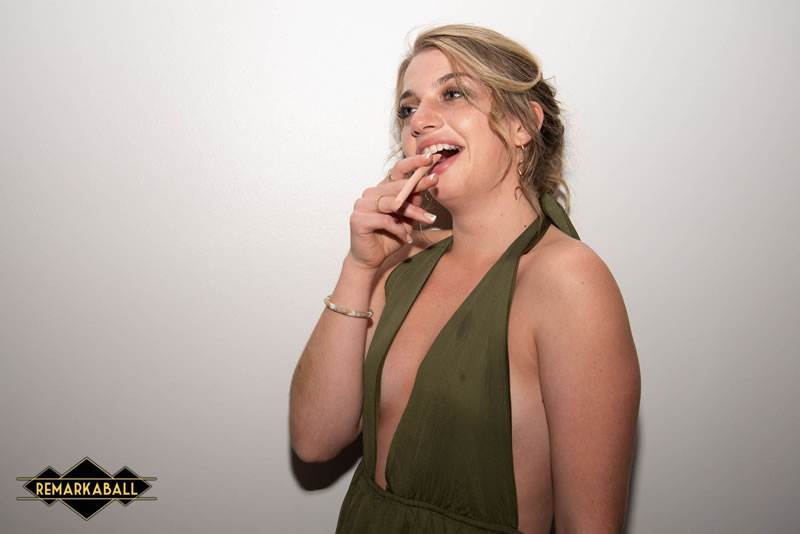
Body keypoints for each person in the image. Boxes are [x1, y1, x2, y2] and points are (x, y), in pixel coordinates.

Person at [289, 24, 640, 534]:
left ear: (522, 124)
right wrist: (359, 268)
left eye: (452, 94)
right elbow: (314, 440)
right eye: (408, 109)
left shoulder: (569, 281)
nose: (419, 121)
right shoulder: (401, 262)